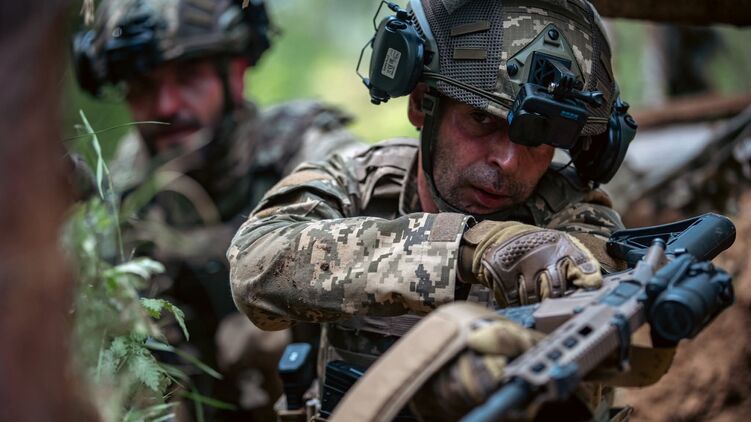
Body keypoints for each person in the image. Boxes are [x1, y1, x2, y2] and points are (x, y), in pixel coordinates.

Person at [228, 0, 659, 420]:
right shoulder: (356, 182)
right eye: (482, 120)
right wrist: (468, 248)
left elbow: (595, 285)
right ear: (421, 102)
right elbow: (254, 267)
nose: (507, 162)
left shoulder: (576, 217)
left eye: (539, 136)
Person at [72, 0, 362, 420]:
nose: (166, 106)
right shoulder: (123, 186)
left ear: (237, 72)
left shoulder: (306, 151)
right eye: (143, 86)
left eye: (189, 76)